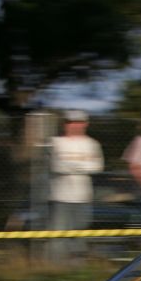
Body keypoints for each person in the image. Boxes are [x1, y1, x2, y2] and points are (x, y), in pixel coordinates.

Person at [49, 110, 104, 261]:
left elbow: (97, 167)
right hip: (60, 196)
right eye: (70, 122)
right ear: (65, 124)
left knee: (80, 234)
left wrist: (70, 166)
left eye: (78, 122)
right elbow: (55, 166)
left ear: (85, 124)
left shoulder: (92, 144)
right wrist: (82, 166)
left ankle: (76, 267)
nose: (74, 126)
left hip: (83, 197)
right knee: (58, 235)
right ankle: (56, 266)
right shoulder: (55, 142)